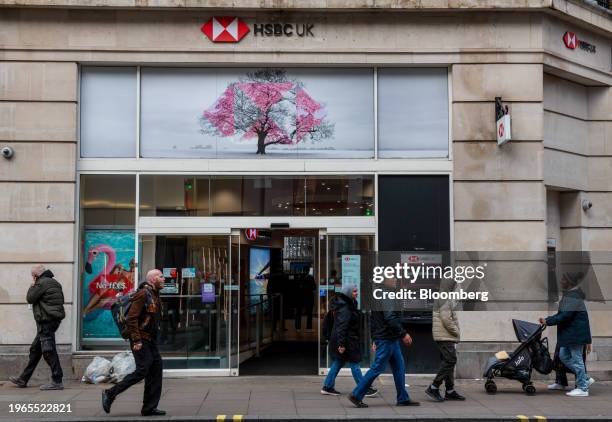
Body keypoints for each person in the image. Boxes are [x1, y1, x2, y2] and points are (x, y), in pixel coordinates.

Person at [102, 269, 166, 416]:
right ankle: (110, 393)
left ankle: (149, 407)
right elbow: (132, 318)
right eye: (160, 276)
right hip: (141, 339)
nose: (163, 279)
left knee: (155, 370)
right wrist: (136, 340)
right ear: (152, 279)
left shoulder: (155, 294)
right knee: (143, 370)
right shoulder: (143, 294)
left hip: (151, 340)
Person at [349, 278, 420, 408]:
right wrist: (403, 333)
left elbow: (373, 319)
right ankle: (356, 394)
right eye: (391, 277)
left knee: (399, 367)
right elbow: (390, 317)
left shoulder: (378, 293)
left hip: (389, 338)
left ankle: (403, 398)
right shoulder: (386, 294)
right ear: (384, 280)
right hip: (386, 339)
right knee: (377, 368)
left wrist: (374, 338)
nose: (395, 279)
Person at [9, 265, 65, 390]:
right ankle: (23, 378)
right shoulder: (54, 282)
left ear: (36, 275)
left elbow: (30, 298)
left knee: (48, 350)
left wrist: (32, 285)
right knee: (36, 350)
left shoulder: (41, 283)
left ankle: (57, 380)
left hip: (46, 321)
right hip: (52, 320)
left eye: (33, 276)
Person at [539, 271, 592, 397]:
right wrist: (548, 320)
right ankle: (585, 378)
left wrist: (548, 321)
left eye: (563, 279)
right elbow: (561, 314)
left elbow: (565, 315)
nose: (561, 282)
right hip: (571, 334)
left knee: (577, 359)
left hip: (575, 334)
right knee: (563, 356)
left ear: (570, 282)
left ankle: (583, 388)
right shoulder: (570, 295)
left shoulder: (573, 296)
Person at [321, 284, 377, 398]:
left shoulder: (348, 304)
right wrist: (341, 344)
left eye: (356, 291)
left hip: (345, 339)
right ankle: (363, 388)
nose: (357, 293)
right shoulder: (345, 307)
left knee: (339, 362)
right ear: (348, 293)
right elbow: (342, 326)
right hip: (347, 340)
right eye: (354, 291)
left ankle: (327, 386)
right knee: (355, 363)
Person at [425, 280, 465, 402]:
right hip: (445, 336)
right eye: (455, 287)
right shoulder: (444, 298)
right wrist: (456, 331)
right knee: (450, 360)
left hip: (444, 335)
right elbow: (446, 319)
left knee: (448, 362)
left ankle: (450, 390)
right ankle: (434, 387)